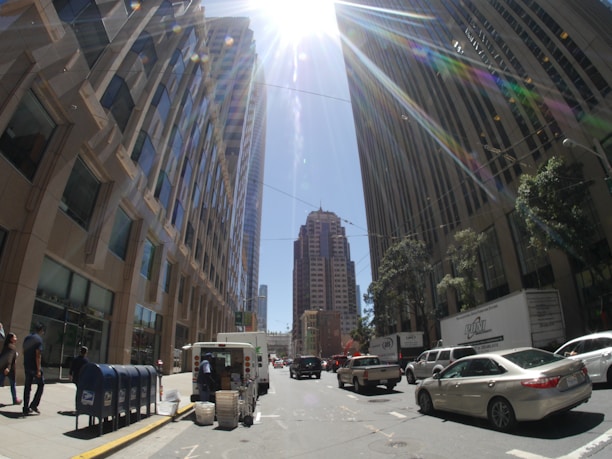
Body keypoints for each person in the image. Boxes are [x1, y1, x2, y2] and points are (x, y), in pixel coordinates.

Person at [22, 322, 45, 416]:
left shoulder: (27, 338)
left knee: (27, 386)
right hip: (34, 367)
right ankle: (34, 404)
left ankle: (25, 407)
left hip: (27, 365)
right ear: (41, 330)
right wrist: (38, 369)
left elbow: (23, 350)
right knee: (41, 384)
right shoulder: (39, 340)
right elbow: (38, 355)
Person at [0, 332, 22, 405]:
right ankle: (15, 399)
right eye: (14, 337)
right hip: (9, 370)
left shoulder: (6, 346)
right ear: (11, 339)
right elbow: (9, 358)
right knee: (13, 385)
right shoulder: (12, 347)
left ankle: (15, 399)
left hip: (3, 368)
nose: (16, 339)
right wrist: (8, 368)